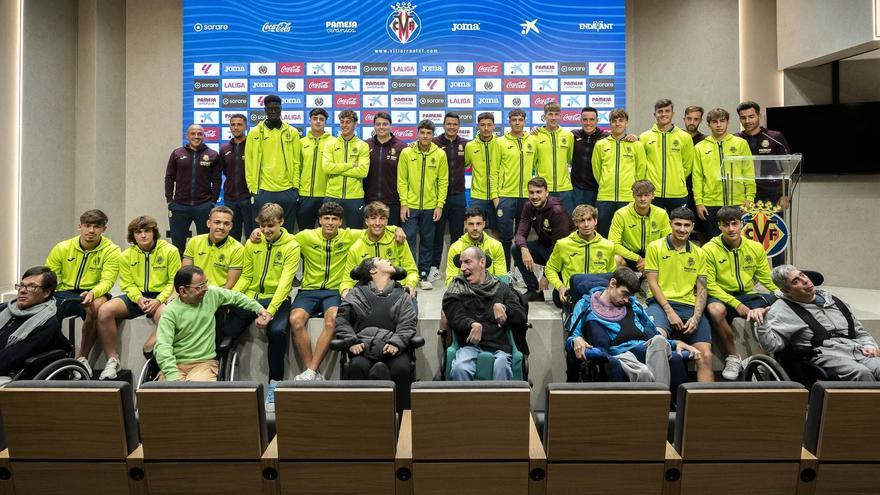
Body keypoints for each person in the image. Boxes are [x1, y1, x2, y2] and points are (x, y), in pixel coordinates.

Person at [288, 202, 402, 380]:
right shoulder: (306, 236)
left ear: (341, 221)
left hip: (334, 290)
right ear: (319, 220)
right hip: (308, 290)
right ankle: (312, 371)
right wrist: (257, 233)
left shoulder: (350, 235)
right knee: (295, 320)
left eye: (334, 219)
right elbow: (283, 237)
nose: (330, 223)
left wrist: (396, 228)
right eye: (326, 218)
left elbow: (376, 226)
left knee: (332, 319)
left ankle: (310, 371)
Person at [566, 267, 701, 384]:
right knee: (644, 372)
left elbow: (655, 335)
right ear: (613, 283)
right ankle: (660, 398)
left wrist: (675, 343)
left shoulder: (634, 305)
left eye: (629, 296)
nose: (626, 300)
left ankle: (658, 396)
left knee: (659, 340)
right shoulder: (585, 305)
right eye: (624, 293)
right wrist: (576, 339)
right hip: (620, 354)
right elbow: (572, 337)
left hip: (645, 348)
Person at [141, 206, 245, 355]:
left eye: (226, 223)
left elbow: (229, 285)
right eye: (217, 222)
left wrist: (207, 298)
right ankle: (163, 348)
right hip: (189, 293)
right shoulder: (195, 242)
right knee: (164, 311)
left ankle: (171, 348)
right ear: (209, 223)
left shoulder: (237, 249)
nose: (221, 227)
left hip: (212, 298)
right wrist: (175, 295)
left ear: (231, 226)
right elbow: (184, 274)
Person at [228, 203, 300, 404]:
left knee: (277, 332)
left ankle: (274, 386)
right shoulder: (252, 243)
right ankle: (220, 379)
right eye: (263, 226)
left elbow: (286, 283)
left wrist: (270, 311)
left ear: (281, 222)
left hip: (277, 299)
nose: (266, 230)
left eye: (271, 225)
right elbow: (247, 276)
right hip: (252, 297)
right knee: (227, 327)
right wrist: (230, 296)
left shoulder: (292, 246)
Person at [756, 265, 880, 381]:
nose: (805, 281)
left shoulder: (836, 302)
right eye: (795, 281)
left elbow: (860, 333)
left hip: (856, 350)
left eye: (802, 275)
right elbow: (771, 346)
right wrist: (762, 323)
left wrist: (870, 345)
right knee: (862, 373)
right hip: (823, 355)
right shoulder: (781, 310)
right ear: (786, 291)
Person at [95, 216, 181, 380]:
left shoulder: (170, 250)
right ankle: (112, 360)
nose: (143, 235)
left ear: (154, 232)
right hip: (137, 296)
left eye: (147, 231)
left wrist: (159, 299)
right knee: (105, 310)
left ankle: (157, 358)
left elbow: (173, 281)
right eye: (138, 232)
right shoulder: (126, 255)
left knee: (165, 314)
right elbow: (127, 284)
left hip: (161, 296)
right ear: (132, 235)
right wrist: (139, 298)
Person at [154, 266, 271, 382]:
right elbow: (163, 347)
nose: (205, 288)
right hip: (175, 366)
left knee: (195, 394)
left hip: (204, 364)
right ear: (183, 291)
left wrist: (259, 309)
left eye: (205, 283)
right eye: (200, 287)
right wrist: (172, 376)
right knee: (168, 396)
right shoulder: (170, 312)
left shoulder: (211, 294)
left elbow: (237, 297)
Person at [703, 206, 778, 380]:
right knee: (715, 310)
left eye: (734, 224)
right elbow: (711, 285)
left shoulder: (755, 247)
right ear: (719, 226)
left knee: (782, 302)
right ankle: (733, 357)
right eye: (726, 225)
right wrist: (737, 305)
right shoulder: (708, 249)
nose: (731, 229)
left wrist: (783, 293)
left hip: (748, 295)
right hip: (722, 295)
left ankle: (762, 356)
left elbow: (766, 278)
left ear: (742, 224)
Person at [45, 209, 121, 378]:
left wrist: (93, 292)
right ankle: (51, 354)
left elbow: (108, 280)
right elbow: (50, 276)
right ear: (80, 226)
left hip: (93, 291)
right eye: (87, 225)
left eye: (96, 226)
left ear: (104, 229)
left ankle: (82, 358)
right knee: (44, 309)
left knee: (97, 307)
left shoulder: (112, 250)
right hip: (63, 291)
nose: (91, 231)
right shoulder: (63, 247)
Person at [335, 257, 418, 410]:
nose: (388, 260)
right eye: (380, 259)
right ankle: (360, 421)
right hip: (363, 348)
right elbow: (341, 321)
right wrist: (351, 341)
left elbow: (408, 324)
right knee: (357, 367)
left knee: (401, 369)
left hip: (394, 350)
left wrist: (396, 343)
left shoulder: (402, 295)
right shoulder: (355, 294)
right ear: (373, 270)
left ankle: (402, 423)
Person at [644, 207, 713, 382]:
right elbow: (652, 283)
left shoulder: (699, 252)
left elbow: (702, 289)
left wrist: (697, 317)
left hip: (690, 307)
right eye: (678, 224)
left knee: (705, 355)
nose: (682, 229)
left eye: (686, 225)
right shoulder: (655, 247)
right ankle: (659, 399)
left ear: (692, 227)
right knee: (657, 341)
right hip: (660, 305)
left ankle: (707, 406)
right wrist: (669, 311)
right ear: (670, 224)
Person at [442, 247, 527, 381]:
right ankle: (463, 402)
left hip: (499, 348)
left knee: (501, 366)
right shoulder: (455, 288)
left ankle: (499, 402)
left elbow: (520, 315)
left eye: (468, 262)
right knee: (460, 367)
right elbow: (455, 316)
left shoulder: (501, 288)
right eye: (461, 263)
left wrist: (505, 308)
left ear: (482, 262)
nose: (463, 268)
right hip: (468, 346)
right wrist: (472, 324)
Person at [545, 205, 636, 307]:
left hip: (598, 293)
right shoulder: (563, 244)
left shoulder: (608, 245)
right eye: (582, 221)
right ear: (576, 223)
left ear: (595, 221)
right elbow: (550, 268)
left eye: (589, 219)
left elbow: (611, 273)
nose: (586, 224)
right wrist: (560, 287)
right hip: (573, 292)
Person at [398, 119, 449, 290]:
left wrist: (439, 205)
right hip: (410, 206)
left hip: (430, 206)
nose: (425, 136)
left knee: (428, 241)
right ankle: (410, 275)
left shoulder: (440, 154)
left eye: (429, 133)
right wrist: (404, 203)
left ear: (433, 135)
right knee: (409, 240)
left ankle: (423, 274)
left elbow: (443, 182)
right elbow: (402, 180)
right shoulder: (407, 153)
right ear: (417, 133)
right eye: (422, 133)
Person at [693, 108, 754, 238]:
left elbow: (748, 172)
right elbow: (697, 177)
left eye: (722, 121)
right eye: (714, 122)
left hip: (737, 202)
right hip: (711, 203)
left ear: (728, 122)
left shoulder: (741, 143)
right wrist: (699, 202)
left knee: (738, 242)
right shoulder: (700, 147)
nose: (719, 125)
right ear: (709, 124)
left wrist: (749, 198)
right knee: (713, 243)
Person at [245, 94, 302, 232]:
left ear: (281, 109)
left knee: (286, 231)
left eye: (277, 108)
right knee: (263, 231)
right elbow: (249, 162)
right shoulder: (254, 133)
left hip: (287, 189)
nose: (274, 112)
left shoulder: (292, 132)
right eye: (270, 109)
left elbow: (297, 162)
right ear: (265, 110)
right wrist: (253, 189)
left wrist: (295, 187)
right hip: (263, 190)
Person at [512, 177, 573, 302]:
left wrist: (546, 274)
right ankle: (534, 291)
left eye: (539, 192)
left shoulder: (557, 211)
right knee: (516, 249)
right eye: (531, 192)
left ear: (547, 192)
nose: (535, 196)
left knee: (559, 300)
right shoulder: (528, 207)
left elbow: (559, 248)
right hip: (545, 248)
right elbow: (520, 234)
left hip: (565, 256)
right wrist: (524, 250)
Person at [341, 201, 418, 298]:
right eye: (373, 218)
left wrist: (410, 285)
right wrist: (345, 290)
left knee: (412, 311)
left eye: (382, 218)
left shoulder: (398, 240)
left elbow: (411, 270)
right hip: (367, 294)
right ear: (366, 221)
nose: (377, 223)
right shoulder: (356, 247)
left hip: (397, 290)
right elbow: (347, 279)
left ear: (386, 221)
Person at [164, 124, 221, 254]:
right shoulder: (177, 153)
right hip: (179, 206)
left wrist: (212, 201)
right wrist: (169, 200)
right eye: (193, 133)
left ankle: (204, 272)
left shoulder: (212, 155)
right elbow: (169, 177)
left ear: (204, 136)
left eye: (199, 134)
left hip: (203, 206)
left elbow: (217, 180)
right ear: (187, 136)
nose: (196, 136)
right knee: (177, 244)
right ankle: (180, 273)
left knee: (206, 242)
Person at [592, 108, 648, 236]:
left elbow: (641, 170)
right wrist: (605, 183)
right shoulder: (601, 144)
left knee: (628, 235)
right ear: (610, 123)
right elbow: (596, 170)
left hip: (628, 197)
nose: (617, 124)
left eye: (621, 120)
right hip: (605, 197)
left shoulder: (636, 145)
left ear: (626, 123)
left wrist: (634, 189)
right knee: (604, 234)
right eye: (614, 121)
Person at [0, 267, 62, 381]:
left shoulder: (46, 323)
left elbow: (12, 358)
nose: (23, 290)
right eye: (21, 285)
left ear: (46, 292)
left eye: (32, 286)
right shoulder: (3, 309)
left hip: (12, 373)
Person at [430, 112, 469, 283]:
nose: (452, 127)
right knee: (437, 234)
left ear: (459, 126)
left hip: (459, 196)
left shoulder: (465, 144)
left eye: (455, 124)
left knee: (457, 234)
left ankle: (457, 268)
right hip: (438, 197)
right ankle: (434, 268)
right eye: (449, 124)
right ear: (443, 125)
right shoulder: (434, 143)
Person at [496, 109, 537, 269]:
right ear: (509, 121)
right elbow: (494, 170)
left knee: (522, 238)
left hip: (526, 198)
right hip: (506, 196)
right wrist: (496, 196)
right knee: (505, 238)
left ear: (525, 121)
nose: (517, 122)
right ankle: (505, 272)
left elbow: (538, 165)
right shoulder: (500, 142)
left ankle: (520, 272)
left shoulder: (533, 140)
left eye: (520, 119)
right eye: (514, 119)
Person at [640, 99, 695, 213]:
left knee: (679, 228)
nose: (664, 114)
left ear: (673, 114)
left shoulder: (685, 137)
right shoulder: (644, 137)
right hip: (652, 193)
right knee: (654, 228)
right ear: (655, 114)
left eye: (667, 111)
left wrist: (676, 178)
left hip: (678, 193)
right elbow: (641, 164)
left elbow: (687, 165)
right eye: (660, 111)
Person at [735, 101, 792, 209]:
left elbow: (787, 168)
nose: (747, 121)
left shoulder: (775, 137)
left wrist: (785, 195)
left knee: (771, 226)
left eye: (751, 116)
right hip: (743, 195)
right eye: (743, 118)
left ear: (759, 116)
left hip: (772, 194)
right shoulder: (735, 139)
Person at [608, 180, 671, 272]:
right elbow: (613, 243)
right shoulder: (621, 214)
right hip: (629, 256)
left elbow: (667, 241)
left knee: (670, 256)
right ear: (633, 195)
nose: (643, 199)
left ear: (653, 196)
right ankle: (620, 284)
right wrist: (637, 258)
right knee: (615, 259)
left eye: (646, 195)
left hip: (653, 255)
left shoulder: (661, 214)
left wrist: (649, 259)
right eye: (639, 195)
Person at [323, 109, 370, 228]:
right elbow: (327, 168)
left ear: (355, 124)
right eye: (342, 122)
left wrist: (337, 168)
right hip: (332, 195)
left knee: (355, 234)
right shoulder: (330, 144)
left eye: (348, 122)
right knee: (330, 232)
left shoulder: (363, 145)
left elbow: (363, 171)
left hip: (354, 197)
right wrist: (350, 165)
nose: (344, 125)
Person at [365, 112, 408, 227]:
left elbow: (406, 176)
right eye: (378, 124)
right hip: (370, 201)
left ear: (391, 125)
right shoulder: (365, 145)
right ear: (374, 126)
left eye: (385, 124)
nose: (381, 127)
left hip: (393, 202)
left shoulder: (402, 147)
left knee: (391, 237)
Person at [445, 208, 507, 286]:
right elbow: (450, 281)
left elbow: (502, 278)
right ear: (465, 225)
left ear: (484, 224)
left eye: (478, 224)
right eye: (471, 224)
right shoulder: (455, 247)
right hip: (464, 291)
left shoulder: (496, 245)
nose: (475, 228)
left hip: (489, 290)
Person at [534, 101, 575, 213]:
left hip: (565, 189)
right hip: (544, 189)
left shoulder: (568, 135)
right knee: (545, 224)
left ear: (560, 116)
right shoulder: (535, 136)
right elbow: (532, 163)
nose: (553, 117)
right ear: (544, 116)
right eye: (550, 114)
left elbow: (571, 160)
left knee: (566, 225)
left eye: (556, 114)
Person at [297, 108, 334, 230]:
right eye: (315, 119)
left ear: (326, 122)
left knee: (327, 234)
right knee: (305, 233)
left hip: (327, 195)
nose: (318, 122)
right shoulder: (301, 142)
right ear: (309, 120)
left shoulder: (333, 142)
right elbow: (297, 167)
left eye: (321, 119)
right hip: (304, 195)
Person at [465, 112, 501, 234]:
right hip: (477, 196)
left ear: (494, 126)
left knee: (497, 230)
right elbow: (463, 164)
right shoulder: (470, 146)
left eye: (489, 125)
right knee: (475, 231)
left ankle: (496, 254)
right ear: (477, 126)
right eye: (482, 125)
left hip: (498, 195)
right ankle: (475, 254)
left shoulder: (500, 143)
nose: (486, 128)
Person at [219, 113, 253, 243]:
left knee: (252, 236)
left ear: (246, 126)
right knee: (232, 238)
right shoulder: (224, 149)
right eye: (233, 125)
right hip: (231, 199)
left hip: (249, 198)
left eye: (239, 124)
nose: (236, 127)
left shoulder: (252, 146)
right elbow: (225, 171)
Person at [570, 106, 608, 209]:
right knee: (576, 221)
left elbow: (621, 139)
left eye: (592, 119)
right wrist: (537, 129)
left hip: (597, 189)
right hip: (576, 189)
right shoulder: (573, 135)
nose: (588, 123)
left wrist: (633, 137)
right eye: (585, 119)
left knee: (594, 222)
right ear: (580, 120)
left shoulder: (606, 137)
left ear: (597, 120)